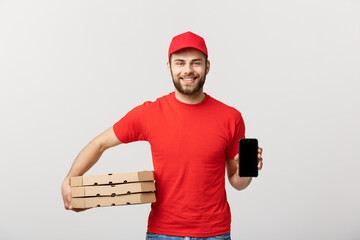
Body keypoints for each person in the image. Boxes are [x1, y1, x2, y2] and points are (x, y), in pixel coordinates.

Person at [61, 31, 263, 240]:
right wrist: (70, 180)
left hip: (215, 233)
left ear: (207, 67)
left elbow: (237, 182)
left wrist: (247, 170)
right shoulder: (150, 113)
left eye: (196, 63)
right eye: (180, 63)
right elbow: (99, 143)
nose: (188, 70)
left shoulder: (231, 117)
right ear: (169, 67)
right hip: (163, 232)